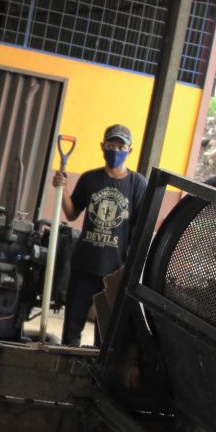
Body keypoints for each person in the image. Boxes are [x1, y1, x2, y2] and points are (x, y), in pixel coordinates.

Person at [51, 124, 148, 346]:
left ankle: (95, 374)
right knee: (72, 329)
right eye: (111, 145)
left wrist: (131, 268)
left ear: (130, 151)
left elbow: (140, 227)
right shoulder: (89, 179)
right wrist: (62, 188)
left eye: (120, 146)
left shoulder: (137, 184)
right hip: (84, 264)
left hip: (114, 272)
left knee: (104, 335)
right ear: (102, 146)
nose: (115, 150)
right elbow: (72, 212)